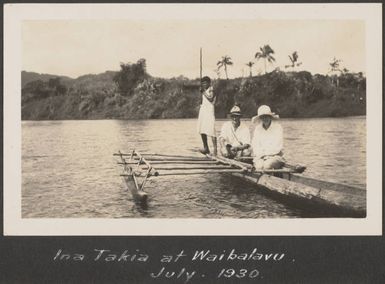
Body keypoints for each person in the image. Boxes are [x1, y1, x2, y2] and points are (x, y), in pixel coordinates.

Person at [251, 105, 285, 170]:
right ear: (260, 118)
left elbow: (277, 147)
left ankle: (271, 178)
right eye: (262, 117)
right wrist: (261, 155)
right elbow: (255, 146)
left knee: (267, 165)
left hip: (276, 156)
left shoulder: (278, 128)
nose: (265, 119)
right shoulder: (257, 129)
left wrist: (266, 155)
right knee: (259, 166)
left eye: (266, 116)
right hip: (260, 156)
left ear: (270, 117)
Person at [197, 76, 217, 155]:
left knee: (211, 130)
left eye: (206, 83)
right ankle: (206, 147)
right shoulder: (204, 90)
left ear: (209, 83)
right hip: (203, 111)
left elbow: (211, 98)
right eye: (203, 83)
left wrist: (203, 92)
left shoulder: (211, 89)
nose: (204, 84)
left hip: (209, 111)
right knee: (201, 128)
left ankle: (215, 150)